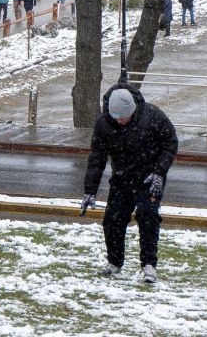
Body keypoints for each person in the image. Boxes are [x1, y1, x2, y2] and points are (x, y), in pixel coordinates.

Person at [82, 84, 178, 284]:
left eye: (123, 117)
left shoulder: (153, 116)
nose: (120, 121)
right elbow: (96, 159)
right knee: (113, 220)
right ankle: (114, 262)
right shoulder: (103, 124)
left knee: (148, 215)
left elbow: (170, 143)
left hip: (150, 178)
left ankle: (149, 265)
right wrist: (89, 190)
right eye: (116, 117)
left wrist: (159, 173)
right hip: (121, 178)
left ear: (133, 110)